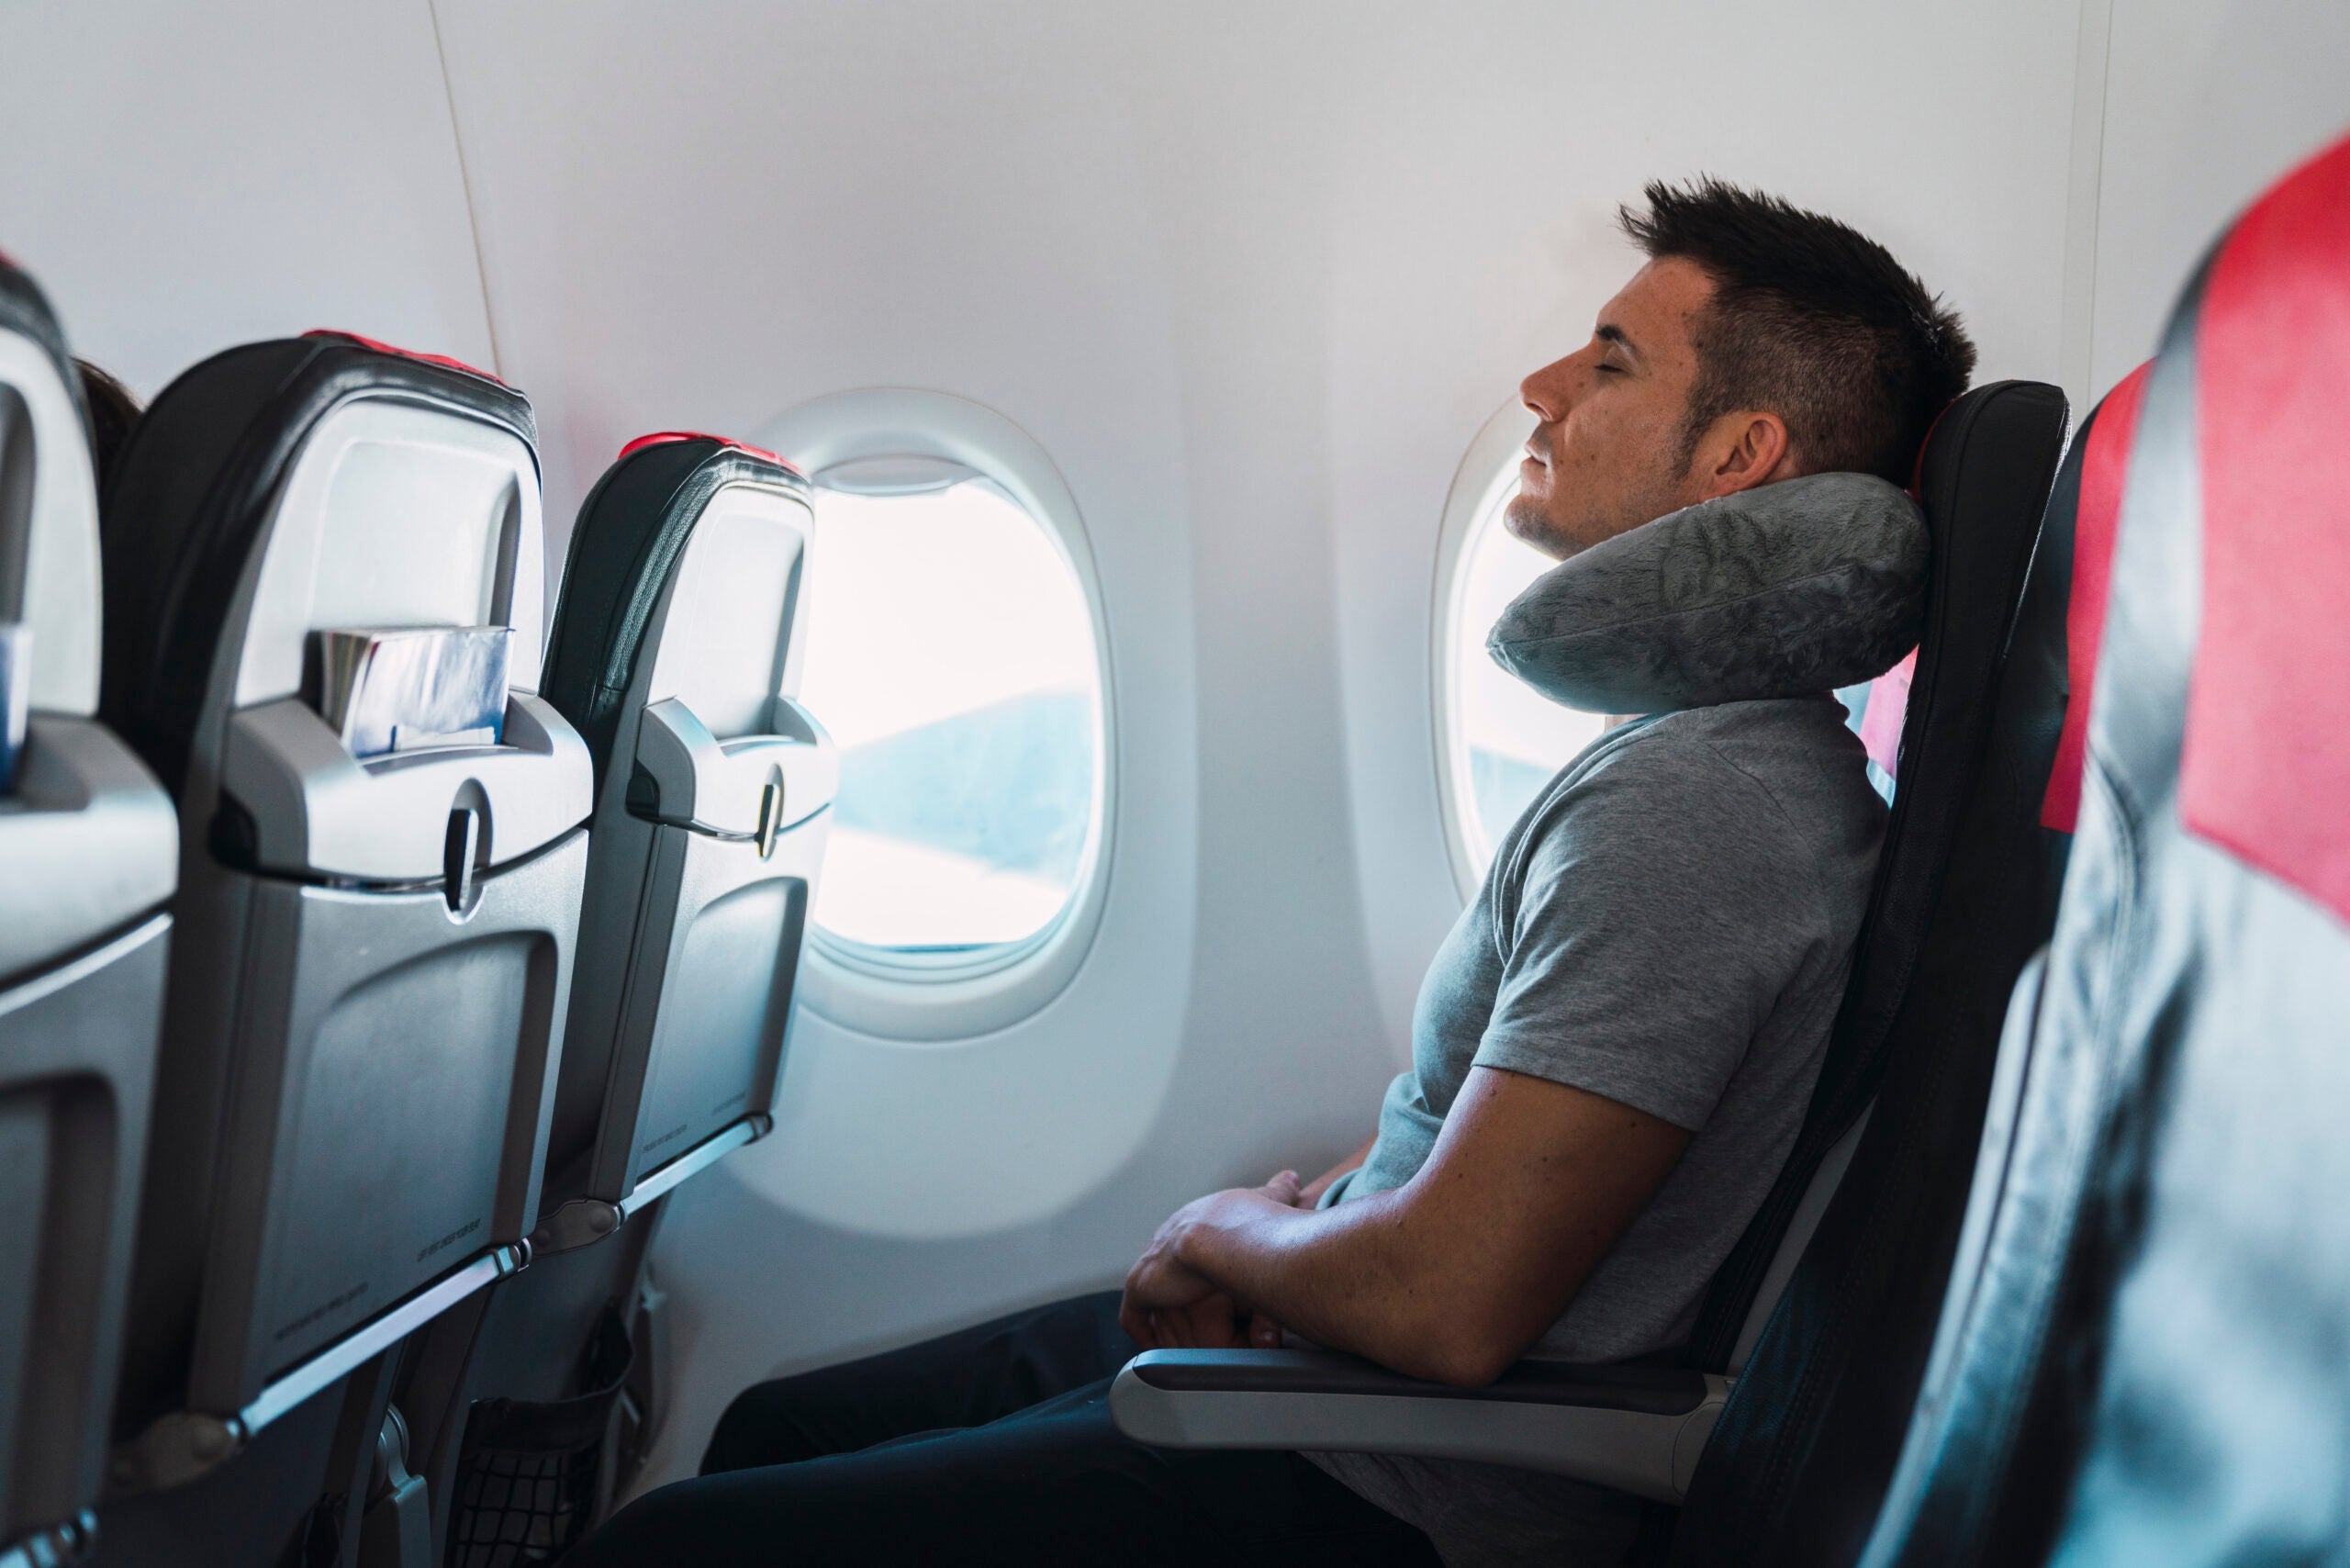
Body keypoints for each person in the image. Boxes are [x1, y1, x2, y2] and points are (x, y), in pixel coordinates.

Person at [565, 176, 1976, 1567]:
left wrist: (1227, 1232)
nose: (1543, 388)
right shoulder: (1695, 764)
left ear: (1740, 456)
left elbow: (1448, 1307)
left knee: (669, 1551)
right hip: (1343, 1392)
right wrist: (1314, 1222)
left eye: (1610, 361)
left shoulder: (1703, 810)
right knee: (773, 1429)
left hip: (1405, 1491)